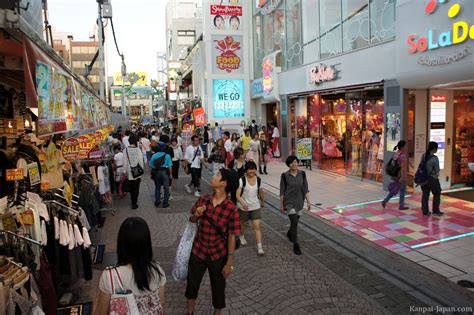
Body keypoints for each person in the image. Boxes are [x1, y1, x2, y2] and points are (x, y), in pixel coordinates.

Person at [185, 168, 241, 315]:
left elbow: (232, 237)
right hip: (198, 251)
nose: (213, 177)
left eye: (217, 175)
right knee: (192, 285)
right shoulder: (204, 199)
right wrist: (196, 215)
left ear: (224, 183)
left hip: (218, 255)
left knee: (218, 287)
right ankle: (189, 312)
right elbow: (191, 220)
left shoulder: (231, 209)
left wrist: (229, 263)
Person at [94, 217, 166, 315]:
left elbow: (100, 312)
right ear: (147, 243)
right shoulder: (157, 270)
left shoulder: (110, 276)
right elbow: (161, 306)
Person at [280, 155, 311, 255]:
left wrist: (308, 201)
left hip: (299, 202)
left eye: (296, 162)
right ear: (288, 164)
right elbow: (282, 192)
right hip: (289, 202)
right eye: (292, 162)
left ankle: (290, 233)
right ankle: (296, 244)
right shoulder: (284, 176)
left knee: (295, 223)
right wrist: (281, 206)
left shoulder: (302, 174)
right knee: (294, 222)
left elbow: (305, 189)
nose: (294, 164)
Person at [236, 161, 265, 256]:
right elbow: (237, 195)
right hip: (243, 207)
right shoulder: (242, 180)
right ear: (246, 170)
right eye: (249, 169)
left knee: (256, 226)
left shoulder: (259, 180)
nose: (252, 171)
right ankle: (242, 236)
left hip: (255, 206)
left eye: (253, 169)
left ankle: (259, 247)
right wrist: (243, 203)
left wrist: (262, 201)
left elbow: (260, 191)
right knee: (242, 224)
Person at [382, 141, 409, 210]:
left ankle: (385, 200)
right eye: (405, 146)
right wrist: (403, 177)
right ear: (402, 147)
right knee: (402, 191)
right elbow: (402, 167)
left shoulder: (397, 153)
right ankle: (401, 205)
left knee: (395, 189)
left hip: (395, 174)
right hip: (400, 175)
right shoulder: (403, 155)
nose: (406, 147)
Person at [420, 141, 444, 216]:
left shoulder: (423, 155)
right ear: (434, 149)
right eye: (436, 148)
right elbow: (437, 170)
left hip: (423, 178)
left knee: (425, 195)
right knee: (437, 193)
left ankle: (425, 212)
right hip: (432, 179)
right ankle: (436, 211)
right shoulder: (434, 158)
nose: (437, 150)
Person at [123, 134, 144, 209]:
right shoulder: (138, 150)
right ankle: (134, 203)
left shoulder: (125, 150)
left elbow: (124, 161)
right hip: (137, 172)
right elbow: (141, 161)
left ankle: (132, 201)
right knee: (136, 188)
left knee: (131, 187)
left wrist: (124, 172)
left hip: (129, 171)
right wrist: (141, 173)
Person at [149, 144, 173, 208]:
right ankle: (165, 203)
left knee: (157, 187)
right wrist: (170, 174)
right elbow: (170, 166)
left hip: (157, 172)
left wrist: (153, 171)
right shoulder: (167, 156)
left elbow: (150, 165)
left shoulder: (154, 155)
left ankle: (158, 201)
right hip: (165, 172)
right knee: (166, 188)